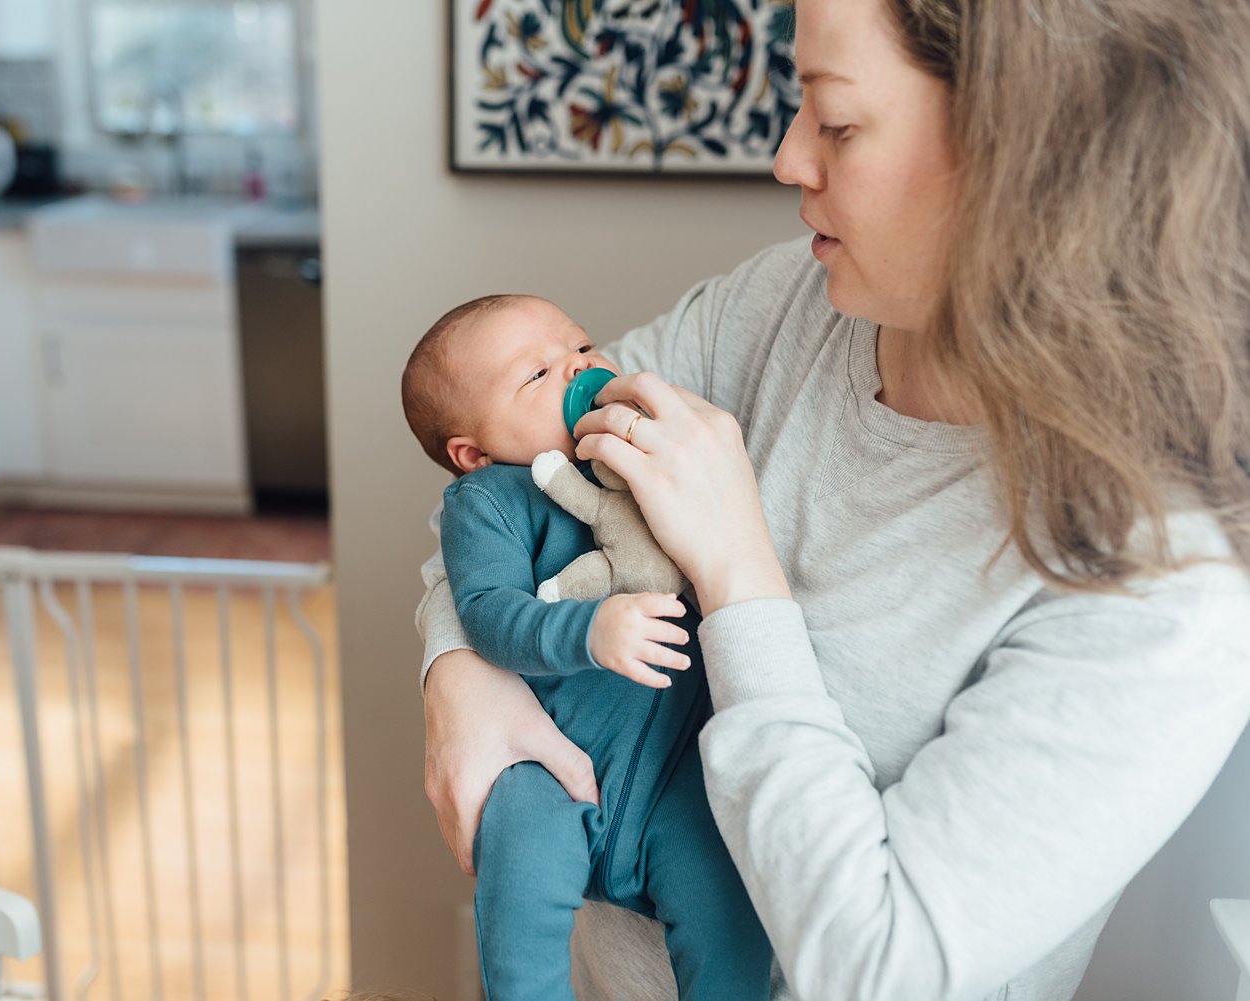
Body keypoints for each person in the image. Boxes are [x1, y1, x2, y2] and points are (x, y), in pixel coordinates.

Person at [416, 0, 1250, 999]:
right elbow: (501, 476)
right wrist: (462, 672)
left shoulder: (1167, 570)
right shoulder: (781, 307)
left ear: (1033, 154)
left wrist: (738, 578)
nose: (787, 158)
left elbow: (876, 966)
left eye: (837, 121)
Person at [401, 293, 771, 1000]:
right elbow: (485, 614)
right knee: (518, 893)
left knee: (728, 903)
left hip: (671, 772)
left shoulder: (643, 453)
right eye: (537, 376)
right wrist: (590, 631)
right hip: (550, 766)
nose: (578, 368)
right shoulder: (487, 502)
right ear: (471, 453)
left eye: (581, 345)